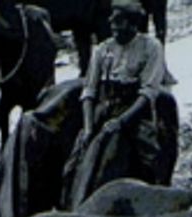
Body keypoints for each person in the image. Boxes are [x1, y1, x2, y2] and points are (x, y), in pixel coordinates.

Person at [68, 0, 167, 204]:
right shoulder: (102, 50)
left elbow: (148, 92)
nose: (113, 28)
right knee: (73, 161)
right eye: (112, 23)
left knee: (150, 156)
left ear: (133, 25)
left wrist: (121, 122)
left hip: (135, 112)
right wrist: (87, 127)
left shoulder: (151, 47)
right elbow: (89, 91)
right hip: (104, 108)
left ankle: (154, 197)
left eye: (119, 23)